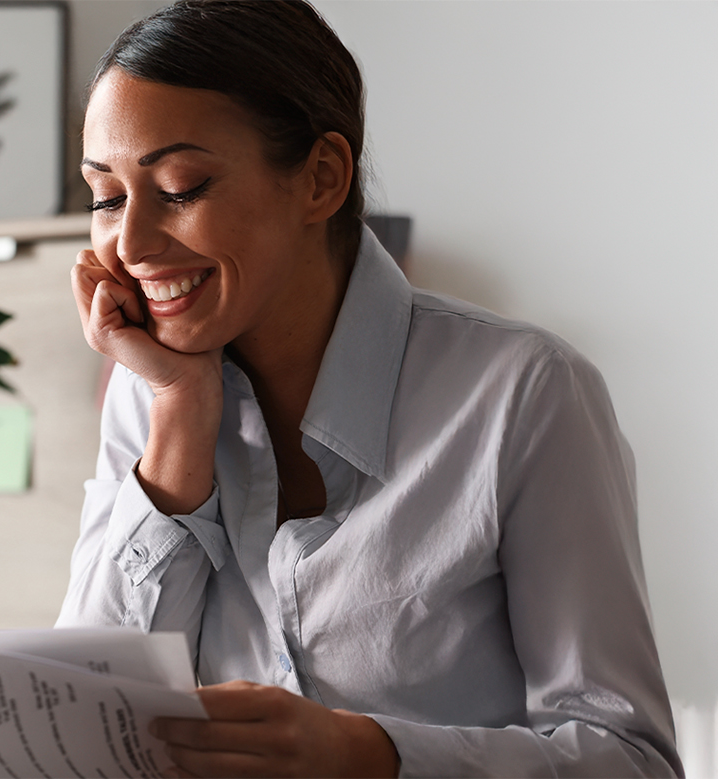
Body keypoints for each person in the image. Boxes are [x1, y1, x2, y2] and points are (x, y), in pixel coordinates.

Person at [55, 1, 682, 776]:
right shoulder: (147, 392)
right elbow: (79, 718)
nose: (133, 244)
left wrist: (368, 753)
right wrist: (179, 412)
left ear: (320, 179)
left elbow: (631, 760)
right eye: (106, 198)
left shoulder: (525, 395)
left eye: (179, 187)